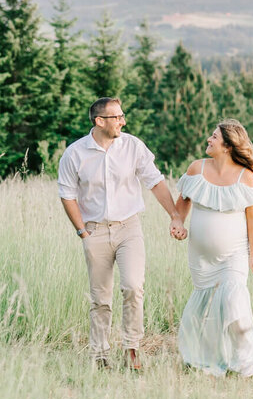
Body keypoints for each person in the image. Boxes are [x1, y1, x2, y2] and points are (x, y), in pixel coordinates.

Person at [58, 97, 187, 370]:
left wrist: (175, 215)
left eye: (122, 116)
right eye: (117, 117)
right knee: (100, 297)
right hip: (94, 231)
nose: (123, 121)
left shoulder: (133, 146)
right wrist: (82, 231)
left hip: (129, 228)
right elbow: (67, 195)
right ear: (99, 121)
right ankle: (100, 354)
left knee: (133, 287)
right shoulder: (75, 153)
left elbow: (155, 180)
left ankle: (131, 349)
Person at [173, 119, 253, 377]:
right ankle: (201, 360)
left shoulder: (245, 177)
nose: (208, 139)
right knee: (203, 308)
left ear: (227, 146)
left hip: (233, 255)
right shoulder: (196, 169)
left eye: (214, 137)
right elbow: (183, 203)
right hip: (201, 256)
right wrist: (177, 221)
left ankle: (243, 364)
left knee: (234, 303)